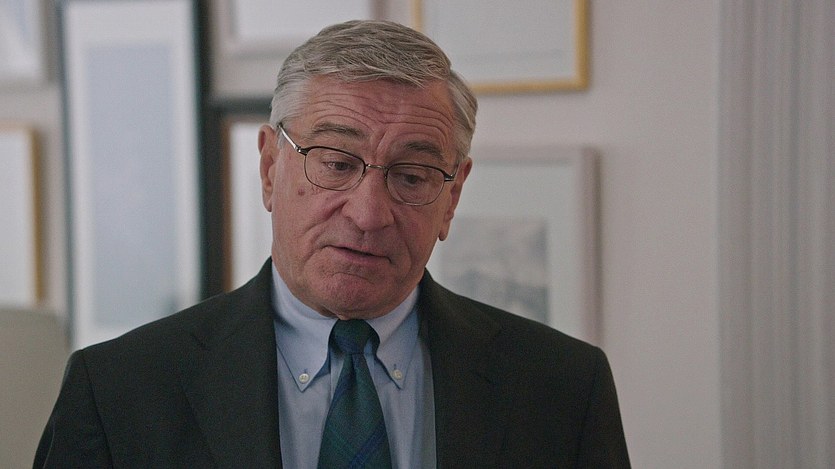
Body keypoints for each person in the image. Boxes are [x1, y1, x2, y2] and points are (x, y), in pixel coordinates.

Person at [34, 20, 629, 468]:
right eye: (337, 164)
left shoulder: (562, 389)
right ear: (270, 168)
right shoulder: (119, 391)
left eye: (412, 177)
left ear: (452, 196)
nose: (368, 214)